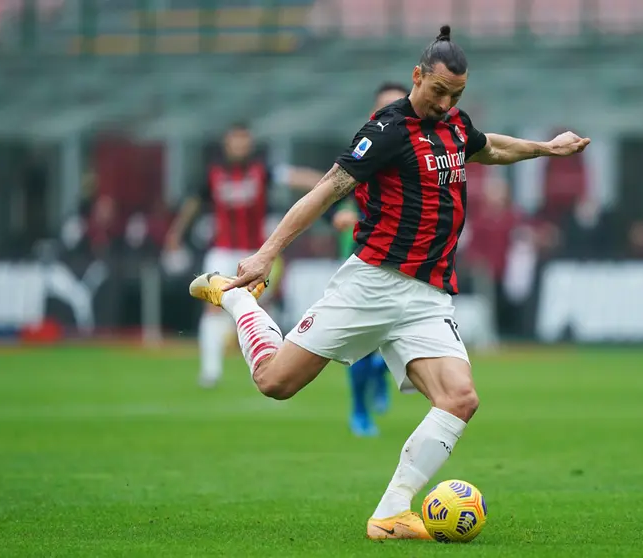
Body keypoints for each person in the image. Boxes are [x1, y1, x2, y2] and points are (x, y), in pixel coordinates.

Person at [189, 25, 589, 540]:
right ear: (416, 77)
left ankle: (391, 513)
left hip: (427, 295)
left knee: (460, 398)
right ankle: (238, 299)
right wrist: (267, 255)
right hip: (371, 285)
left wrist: (546, 149)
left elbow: (489, 148)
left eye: (457, 95)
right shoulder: (386, 130)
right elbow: (327, 190)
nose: (446, 103)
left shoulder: (455, 125)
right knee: (274, 383)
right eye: (439, 91)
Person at [166, 121, 321, 388]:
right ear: (227, 143)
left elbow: (295, 176)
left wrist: (332, 181)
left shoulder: (263, 170)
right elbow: (192, 204)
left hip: (256, 253)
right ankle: (210, 371)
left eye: (244, 139)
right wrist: (175, 234)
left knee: (262, 309)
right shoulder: (211, 174)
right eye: (236, 139)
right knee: (213, 308)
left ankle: (271, 368)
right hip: (222, 252)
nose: (240, 145)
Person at [332, 82, 411, 437]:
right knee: (360, 347)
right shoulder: (365, 147)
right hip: (367, 262)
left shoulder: (423, 152)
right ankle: (359, 411)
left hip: (411, 267)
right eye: (385, 107)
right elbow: (340, 192)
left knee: (403, 345)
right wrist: (345, 216)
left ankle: (382, 372)